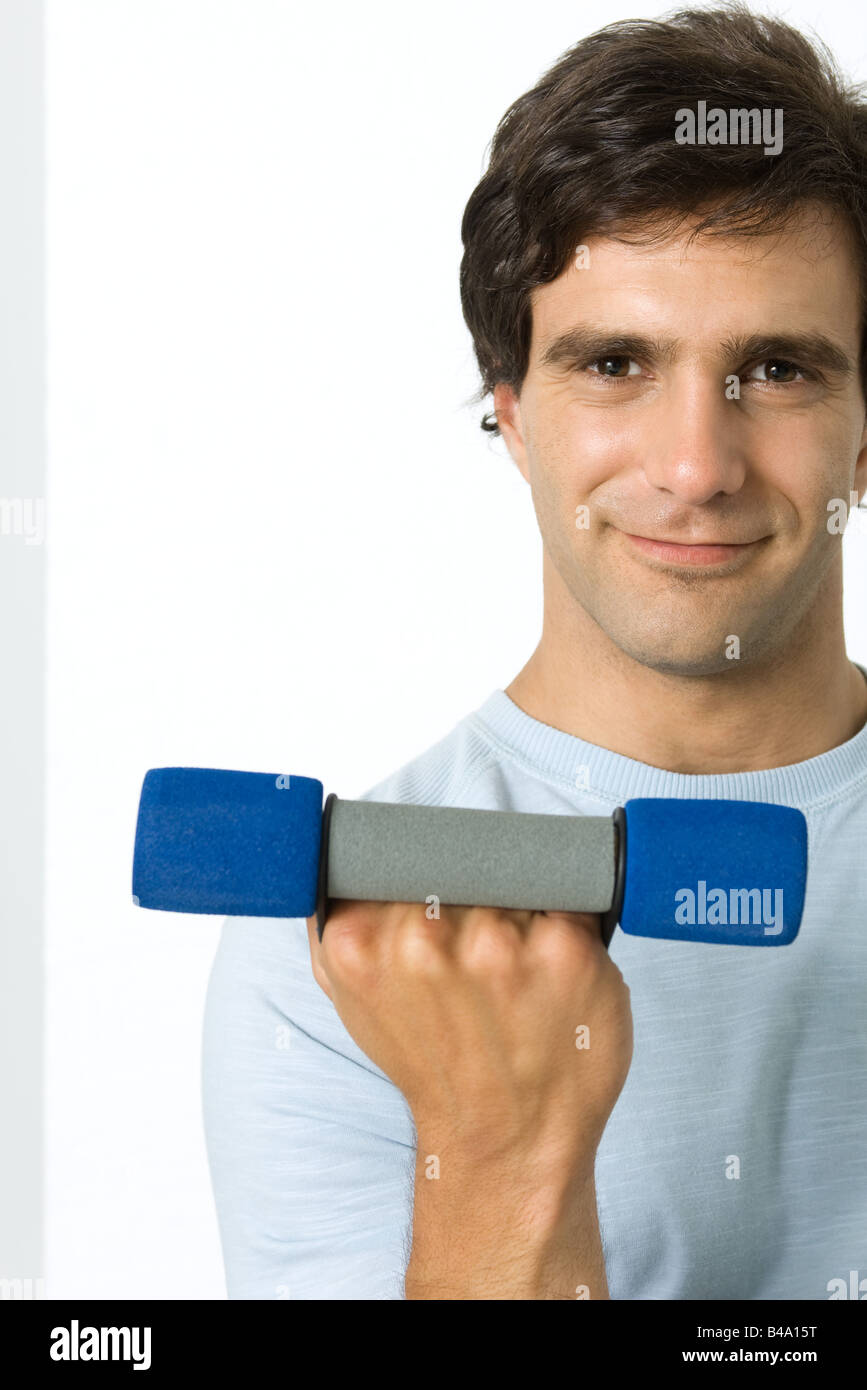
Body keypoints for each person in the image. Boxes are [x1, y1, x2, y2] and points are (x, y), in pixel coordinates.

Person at [202, 3, 867, 1300]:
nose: (695, 467)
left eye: (776, 367)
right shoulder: (335, 954)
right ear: (511, 411)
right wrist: (501, 1159)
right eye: (615, 361)